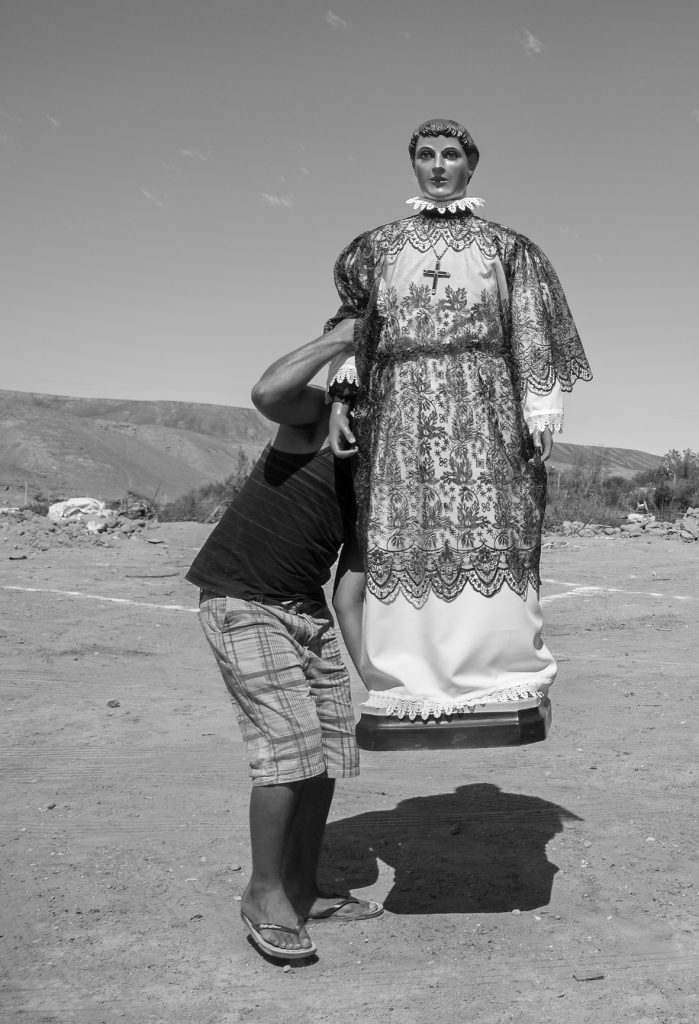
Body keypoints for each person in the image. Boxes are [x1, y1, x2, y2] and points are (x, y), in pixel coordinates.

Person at [324, 118, 592, 723]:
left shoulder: (507, 247)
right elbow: (350, 326)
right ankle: (409, 680)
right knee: (406, 526)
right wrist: (342, 399)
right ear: (413, 164)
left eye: (450, 155)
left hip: (485, 401)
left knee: (494, 523)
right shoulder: (375, 248)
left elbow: (529, 325)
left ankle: (499, 673)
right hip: (398, 408)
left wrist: (540, 408)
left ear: (471, 165)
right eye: (426, 155)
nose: (438, 165)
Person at [186, 319, 382, 963]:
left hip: (305, 610)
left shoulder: (381, 478)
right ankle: (263, 893)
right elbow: (269, 391)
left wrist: (374, 675)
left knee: (326, 751)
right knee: (290, 745)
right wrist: (349, 334)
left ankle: (300, 886)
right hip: (243, 598)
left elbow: (348, 591)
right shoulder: (315, 418)